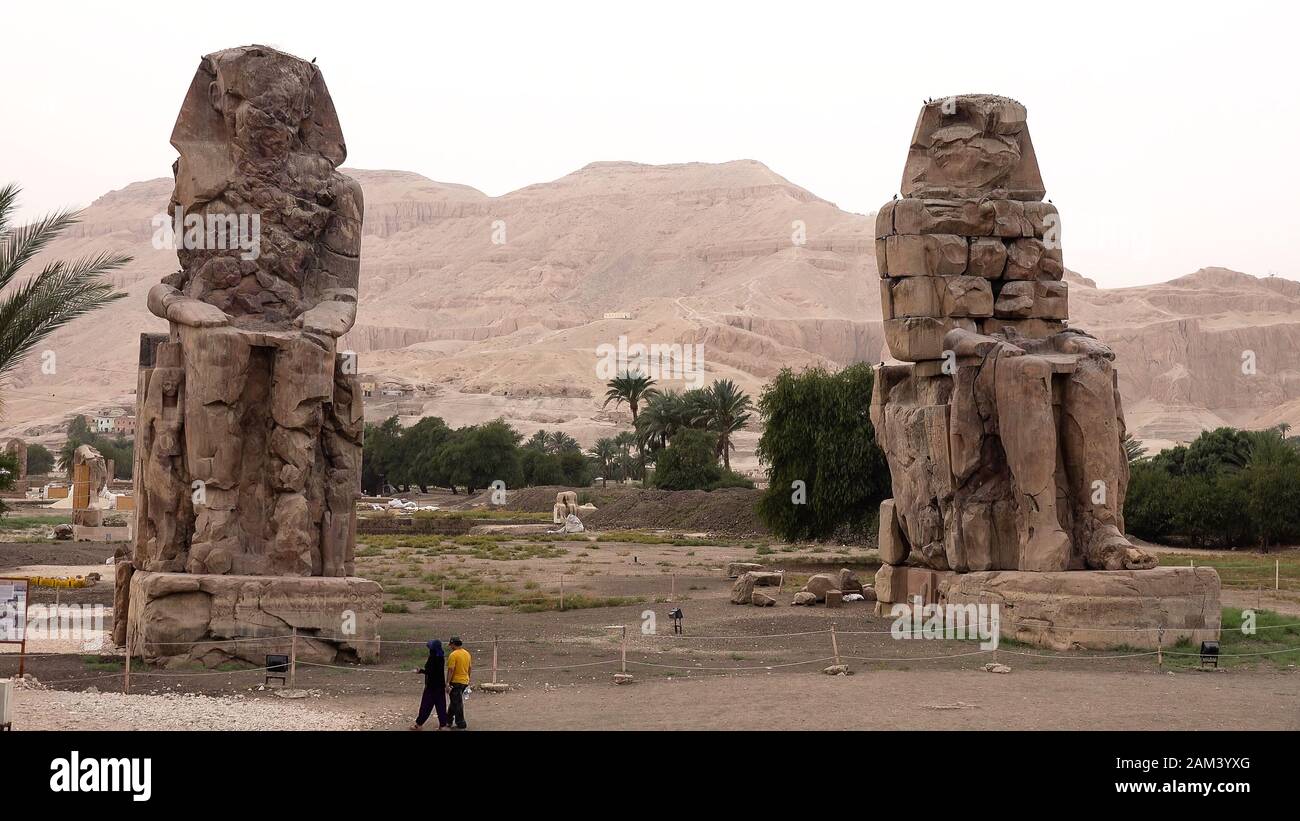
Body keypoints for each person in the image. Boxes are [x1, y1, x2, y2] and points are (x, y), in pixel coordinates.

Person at [409, 639, 448, 731]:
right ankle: (443, 725)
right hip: (440, 685)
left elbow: (430, 671)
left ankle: (419, 725)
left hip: (431, 686)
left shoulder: (433, 658)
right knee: (441, 706)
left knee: (425, 706)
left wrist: (420, 671)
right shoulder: (441, 656)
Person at [445, 636, 472, 730]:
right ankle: (447, 720)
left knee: (457, 703)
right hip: (464, 681)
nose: (450, 646)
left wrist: (447, 683)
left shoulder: (453, 655)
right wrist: (468, 679)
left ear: (453, 644)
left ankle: (461, 723)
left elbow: (451, 670)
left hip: (455, 681)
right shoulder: (467, 654)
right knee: (454, 702)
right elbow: (469, 668)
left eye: (451, 644)